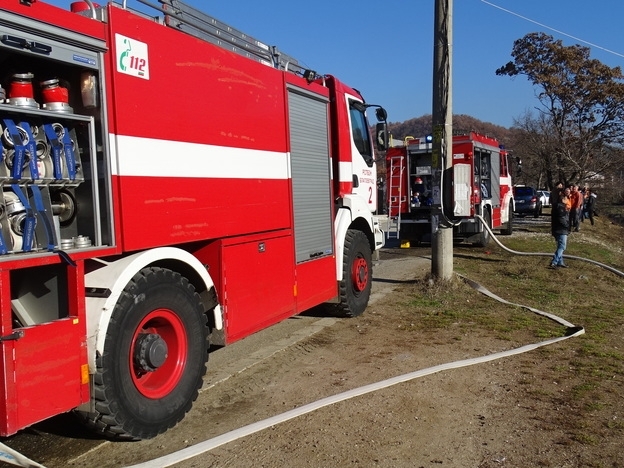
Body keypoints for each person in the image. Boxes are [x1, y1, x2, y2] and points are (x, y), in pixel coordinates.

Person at [550, 188, 571, 268]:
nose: (568, 201)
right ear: (562, 200)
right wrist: (567, 226)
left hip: (556, 229)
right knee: (562, 246)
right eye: (566, 199)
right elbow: (562, 219)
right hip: (561, 229)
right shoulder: (561, 208)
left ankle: (560, 262)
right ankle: (554, 261)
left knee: (559, 246)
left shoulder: (556, 206)